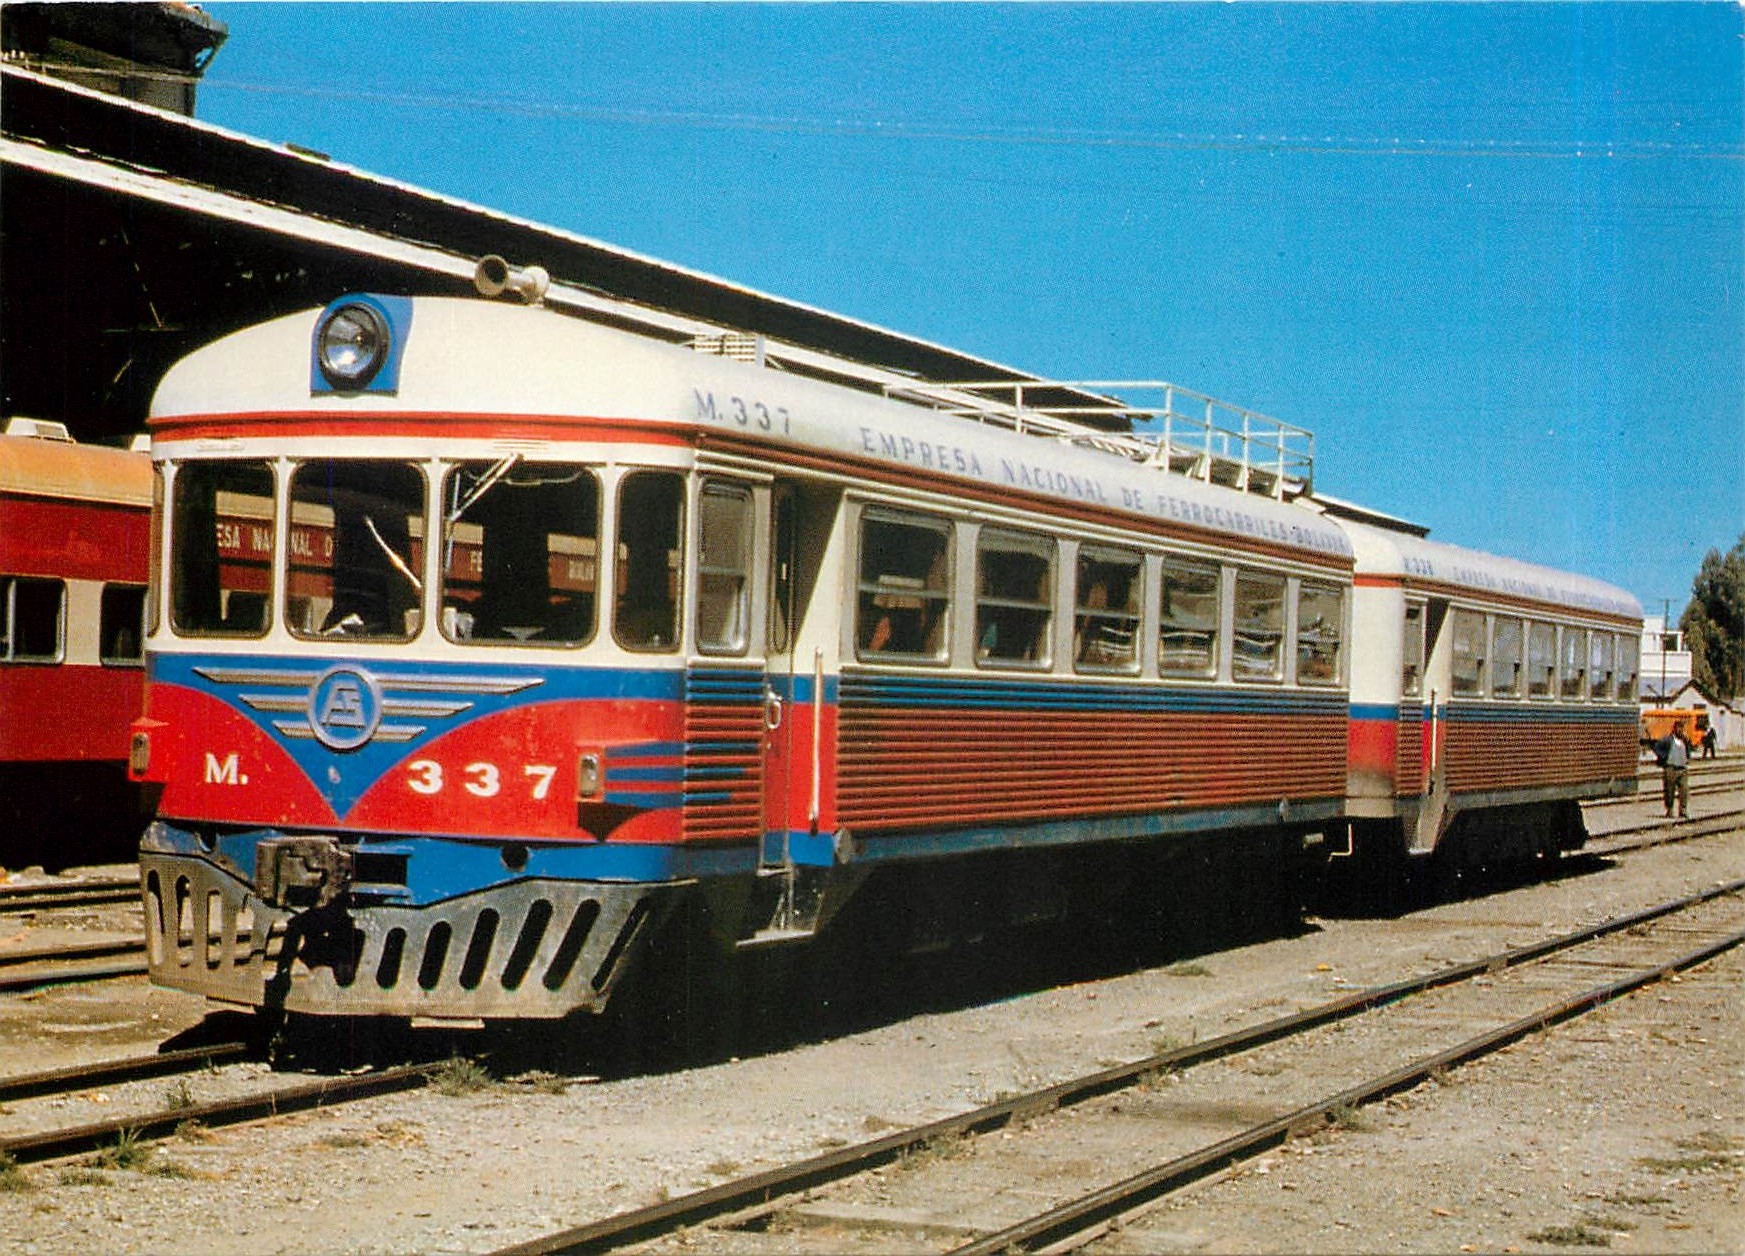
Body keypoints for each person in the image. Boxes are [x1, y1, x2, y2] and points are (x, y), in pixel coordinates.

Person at [1654, 720, 1692, 819]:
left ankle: (1683, 810)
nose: (1681, 730)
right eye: (1679, 728)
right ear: (1674, 729)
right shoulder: (1668, 740)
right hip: (1670, 768)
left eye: (1682, 728)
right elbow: (1656, 747)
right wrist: (1663, 756)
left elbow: (1688, 750)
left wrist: (1687, 758)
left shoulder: (1685, 740)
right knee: (1669, 790)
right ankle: (1670, 810)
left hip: (1682, 768)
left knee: (1684, 790)